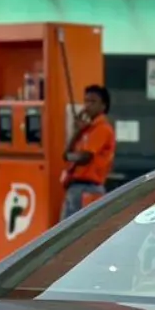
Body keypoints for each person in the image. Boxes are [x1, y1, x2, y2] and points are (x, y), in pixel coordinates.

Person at [60, 85, 117, 220]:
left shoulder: (102, 129)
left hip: (88, 188)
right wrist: (76, 132)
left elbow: (85, 157)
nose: (87, 106)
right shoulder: (86, 129)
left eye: (92, 102)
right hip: (75, 186)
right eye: (86, 101)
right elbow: (66, 155)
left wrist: (71, 157)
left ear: (103, 106)